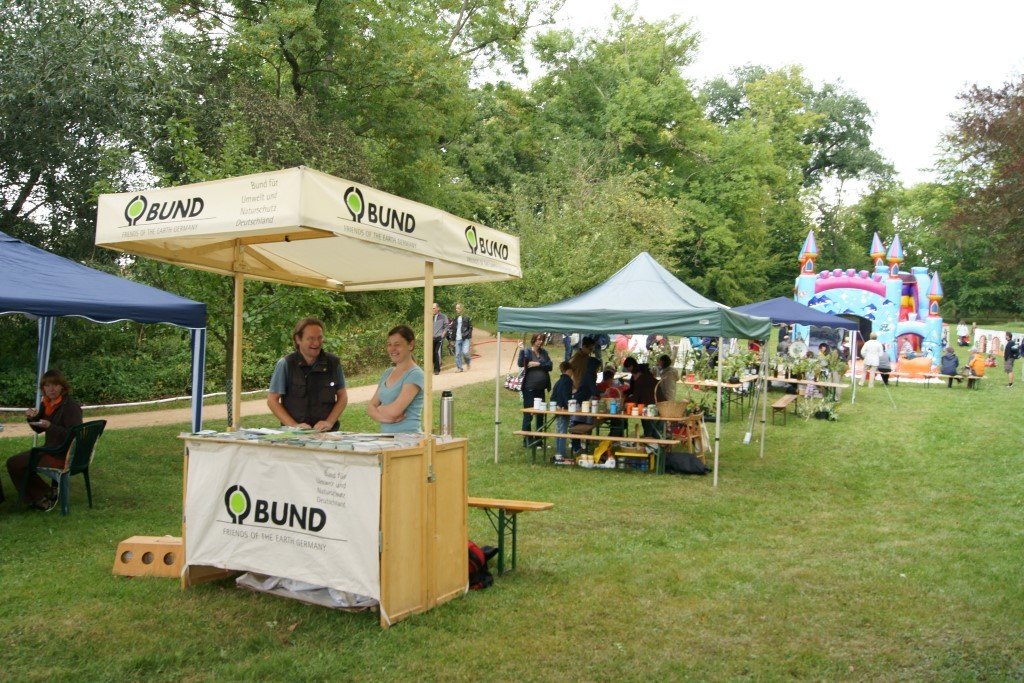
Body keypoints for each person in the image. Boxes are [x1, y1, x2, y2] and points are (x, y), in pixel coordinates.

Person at [6, 369, 83, 511]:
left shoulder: (70, 407)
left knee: (15, 463)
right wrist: (31, 419)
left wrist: (51, 427)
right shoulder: (47, 404)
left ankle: (41, 497)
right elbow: (39, 429)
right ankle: (45, 493)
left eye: (55, 385)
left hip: (62, 454)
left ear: (62, 386)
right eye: (47, 386)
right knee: (14, 462)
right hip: (51, 449)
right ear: (43, 388)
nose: (51, 389)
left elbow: (75, 435)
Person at [267, 317, 348, 431]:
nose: (316, 343)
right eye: (311, 338)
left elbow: (343, 397)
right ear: (298, 339)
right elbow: (272, 400)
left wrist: (329, 422)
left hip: (327, 434)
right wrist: (294, 426)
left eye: (320, 338)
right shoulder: (286, 364)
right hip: (295, 436)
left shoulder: (333, 363)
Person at [368, 325, 425, 433]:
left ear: (411, 345)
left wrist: (379, 409)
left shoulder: (415, 374)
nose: (392, 349)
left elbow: (395, 411)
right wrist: (385, 418)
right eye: (389, 345)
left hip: (409, 440)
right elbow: (370, 407)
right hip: (387, 440)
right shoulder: (387, 373)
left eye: (397, 345)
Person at [518, 333, 553, 446]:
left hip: (541, 389)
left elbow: (550, 366)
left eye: (542, 340)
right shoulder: (527, 352)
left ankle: (539, 440)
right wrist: (521, 351)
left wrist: (538, 363)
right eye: (538, 340)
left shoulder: (544, 353)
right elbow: (520, 363)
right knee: (528, 414)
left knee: (540, 414)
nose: (540, 342)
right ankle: (527, 439)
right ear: (533, 340)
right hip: (529, 388)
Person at [622, 356, 658, 439]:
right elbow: (634, 391)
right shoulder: (642, 376)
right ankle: (650, 439)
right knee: (648, 423)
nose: (633, 378)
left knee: (649, 424)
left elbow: (635, 395)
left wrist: (625, 399)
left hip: (649, 403)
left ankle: (649, 440)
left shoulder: (641, 379)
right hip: (647, 402)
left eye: (634, 376)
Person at [549, 361, 574, 460]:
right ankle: (561, 453)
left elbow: (553, 397)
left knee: (558, 430)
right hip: (564, 409)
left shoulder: (558, 382)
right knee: (562, 432)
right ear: (569, 371)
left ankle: (559, 451)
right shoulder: (568, 381)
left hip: (557, 408)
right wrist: (568, 405)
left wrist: (556, 405)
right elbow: (566, 395)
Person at [449, 303, 473, 373]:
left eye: (458, 308)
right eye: (456, 308)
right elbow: (454, 329)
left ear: (462, 308)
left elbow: (470, 327)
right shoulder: (456, 318)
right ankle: (460, 368)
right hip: (457, 338)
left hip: (465, 338)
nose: (457, 310)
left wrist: (468, 335)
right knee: (457, 354)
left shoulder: (467, 317)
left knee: (465, 352)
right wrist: (452, 339)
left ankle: (468, 362)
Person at [431, 303, 449, 375]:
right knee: (432, 354)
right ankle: (437, 364)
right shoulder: (430, 317)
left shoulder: (443, 316)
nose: (432, 310)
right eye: (432, 308)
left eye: (434, 308)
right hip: (431, 338)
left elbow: (446, 326)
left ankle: (437, 370)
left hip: (439, 337)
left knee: (436, 352)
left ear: (438, 308)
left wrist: (442, 335)